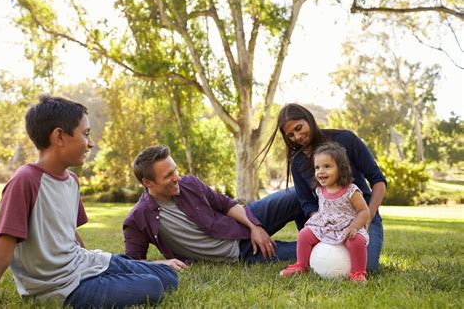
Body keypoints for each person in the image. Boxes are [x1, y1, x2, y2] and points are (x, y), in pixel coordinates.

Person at [0, 95, 178, 307]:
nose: (91, 143)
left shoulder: (72, 181)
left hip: (84, 264)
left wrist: (94, 265)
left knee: (169, 276)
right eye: (86, 134)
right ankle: (118, 275)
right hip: (60, 286)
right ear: (59, 137)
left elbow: (70, 234)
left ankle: (124, 270)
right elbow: (2, 251)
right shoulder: (25, 180)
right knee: (153, 286)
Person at [123, 145, 305, 265]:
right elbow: (132, 262)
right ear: (148, 183)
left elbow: (226, 204)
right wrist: (163, 263)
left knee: (299, 193)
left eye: (175, 170)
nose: (177, 177)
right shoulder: (137, 218)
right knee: (311, 252)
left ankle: (320, 230)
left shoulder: (189, 183)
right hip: (241, 251)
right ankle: (322, 243)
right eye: (168, 175)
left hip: (244, 219)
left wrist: (254, 225)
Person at [259, 103, 386, 273]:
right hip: (327, 221)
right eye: (291, 135)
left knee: (368, 267)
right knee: (320, 259)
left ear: (309, 119)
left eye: (299, 128)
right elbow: (306, 202)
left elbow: (378, 180)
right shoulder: (297, 161)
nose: (297, 136)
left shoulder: (346, 139)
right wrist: (323, 225)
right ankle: (301, 260)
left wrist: (367, 218)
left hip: (361, 216)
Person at [279, 142, 370, 281]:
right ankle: (301, 265)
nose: (320, 171)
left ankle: (358, 273)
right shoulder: (320, 190)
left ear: (341, 169)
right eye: (317, 167)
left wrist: (355, 227)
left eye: (327, 166)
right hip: (325, 225)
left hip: (347, 226)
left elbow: (364, 211)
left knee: (356, 241)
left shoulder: (351, 190)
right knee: (304, 234)